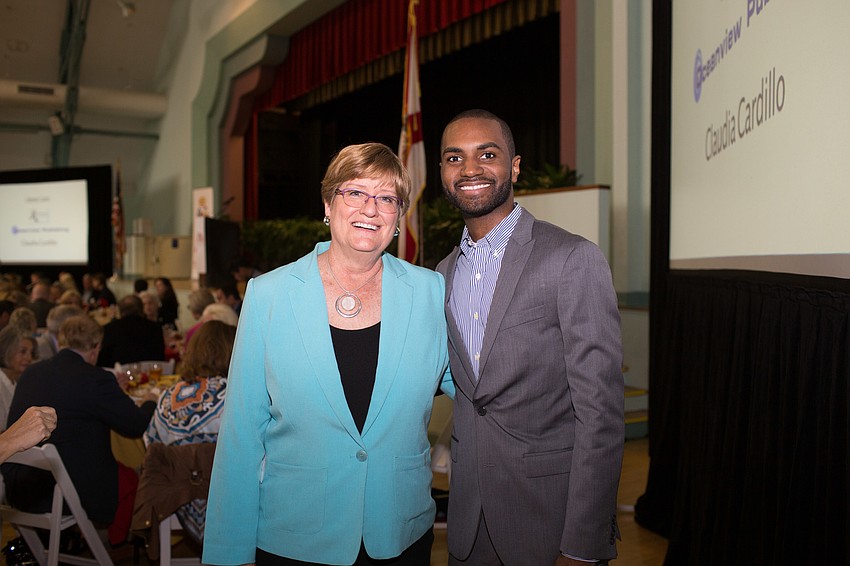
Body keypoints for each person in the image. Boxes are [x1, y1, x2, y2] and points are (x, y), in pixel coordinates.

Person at [203, 142, 453, 566]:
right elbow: (241, 433)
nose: (371, 209)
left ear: (398, 216)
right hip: (295, 535)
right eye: (355, 192)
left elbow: (473, 388)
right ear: (327, 204)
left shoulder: (430, 291)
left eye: (387, 198)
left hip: (400, 531)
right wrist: (229, 552)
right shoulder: (268, 295)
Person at [436, 110, 624, 566]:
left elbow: (600, 412)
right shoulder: (442, 274)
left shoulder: (572, 258)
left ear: (515, 167)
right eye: (454, 158)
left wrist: (582, 543)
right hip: (467, 525)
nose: (470, 169)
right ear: (442, 172)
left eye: (487, 154)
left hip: (550, 522)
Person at [1, 314, 159, 548]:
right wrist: (151, 400)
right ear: (95, 348)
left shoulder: (32, 372)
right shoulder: (95, 378)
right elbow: (135, 425)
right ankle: (125, 542)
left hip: (20, 487)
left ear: (62, 341)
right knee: (140, 475)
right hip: (64, 491)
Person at [144, 320, 236, 542]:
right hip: (231, 499)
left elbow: (152, 446)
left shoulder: (168, 396)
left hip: (179, 498)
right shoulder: (236, 396)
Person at [97, 295, 166, 367]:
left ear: (120, 311)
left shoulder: (108, 329)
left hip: (117, 373)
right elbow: (160, 357)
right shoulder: (155, 328)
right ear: (141, 309)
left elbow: (102, 361)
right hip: (149, 372)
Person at [0, 326, 37, 431]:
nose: (29, 358)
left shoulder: (19, 381)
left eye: (31, 353)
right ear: (7, 350)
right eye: (23, 351)